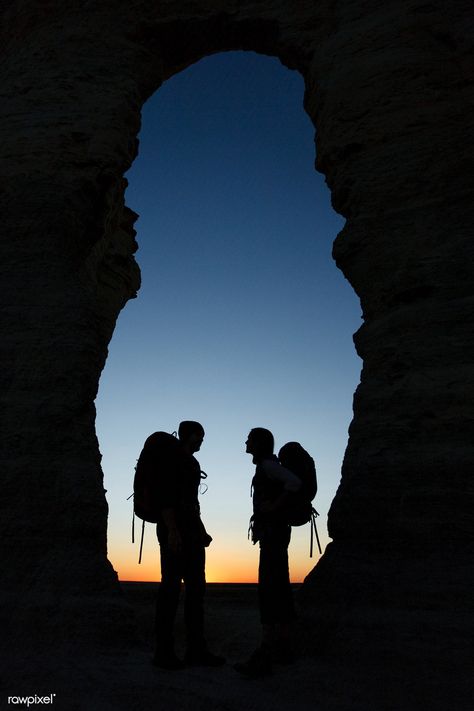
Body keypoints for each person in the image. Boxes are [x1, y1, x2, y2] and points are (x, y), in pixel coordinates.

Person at [153, 420, 225, 669]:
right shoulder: (173, 460)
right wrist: (172, 530)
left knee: (195, 591)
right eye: (200, 436)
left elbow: (191, 503)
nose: (202, 440)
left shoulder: (191, 462)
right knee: (171, 591)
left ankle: (196, 650)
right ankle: (164, 652)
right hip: (176, 532)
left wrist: (201, 531)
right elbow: (166, 497)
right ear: (189, 435)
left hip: (191, 533)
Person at [235, 427, 302, 678]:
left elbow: (295, 483)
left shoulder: (268, 466)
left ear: (259, 443)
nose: (246, 442)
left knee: (270, 590)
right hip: (274, 535)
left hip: (274, 537)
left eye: (250, 439)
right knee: (278, 588)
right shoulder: (266, 466)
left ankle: (266, 653)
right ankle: (282, 649)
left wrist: (274, 506)